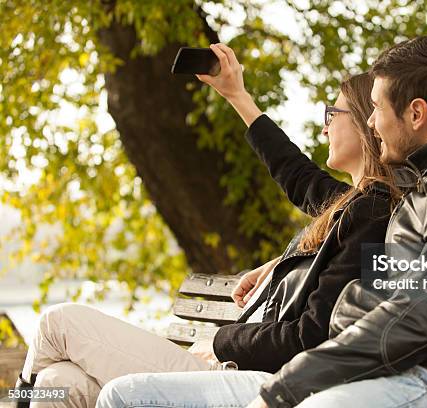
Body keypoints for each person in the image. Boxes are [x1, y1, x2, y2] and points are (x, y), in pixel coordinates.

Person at [99, 35, 427, 408]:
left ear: (415, 113)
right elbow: (378, 286)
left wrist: (285, 386)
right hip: (382, 371)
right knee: (127, 395)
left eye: (375, 109)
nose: (372, 123)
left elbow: (419, 315)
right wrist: (288, 262)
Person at [14, 41, 400, 408]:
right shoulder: (348, 208)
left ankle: (17, 400)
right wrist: (237, 95)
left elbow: (308, 336)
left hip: (239, 374)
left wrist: (221, 340)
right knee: (57, 383)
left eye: (332, 114)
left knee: (57, 321)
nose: (325, 127)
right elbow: (291, 170)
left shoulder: (370, 214)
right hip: (225, 365)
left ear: (368, 122)